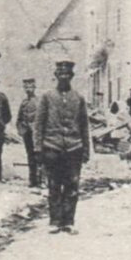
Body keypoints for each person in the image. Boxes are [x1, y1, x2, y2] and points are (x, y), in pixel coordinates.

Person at [35, 60, 90, 234]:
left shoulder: (78, 98)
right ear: (56, 76)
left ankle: (68, 221)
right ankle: (55, 221)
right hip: (52, 147)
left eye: (67, 74)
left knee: (72, 186)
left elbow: (84, 125)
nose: (64, 77)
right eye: (61, 74)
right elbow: (38, 124)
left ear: (71, 76)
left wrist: (86, 149)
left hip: (74, 148)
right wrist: (38, 149)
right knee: (53, 185)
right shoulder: (47, 97)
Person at [15, 78, 41, 189]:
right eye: (26, 87)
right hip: (27, 133)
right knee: (30, 156)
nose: (28, 89)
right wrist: (22, 130)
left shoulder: (39, 101)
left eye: (30, 87)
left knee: (39, 156)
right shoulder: (24, 102)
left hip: (37, 133)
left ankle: (41, 180)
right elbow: (19, 118)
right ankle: (32, 180)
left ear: (34, 87)